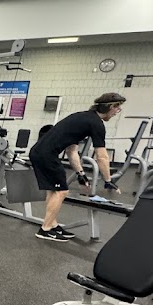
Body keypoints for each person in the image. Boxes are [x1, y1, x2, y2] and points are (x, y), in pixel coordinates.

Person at [29, 93, 125, 242]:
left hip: (40, 153)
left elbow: (71, 151)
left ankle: (52, 225)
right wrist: (108, 180)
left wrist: (81, 174)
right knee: (61, 191)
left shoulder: (83, 117)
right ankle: (45, 229)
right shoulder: (96, 123)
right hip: (46, 155)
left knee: (54, 190)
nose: (117, 112)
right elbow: (102, 156)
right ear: (111, 106)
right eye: (118, 108)